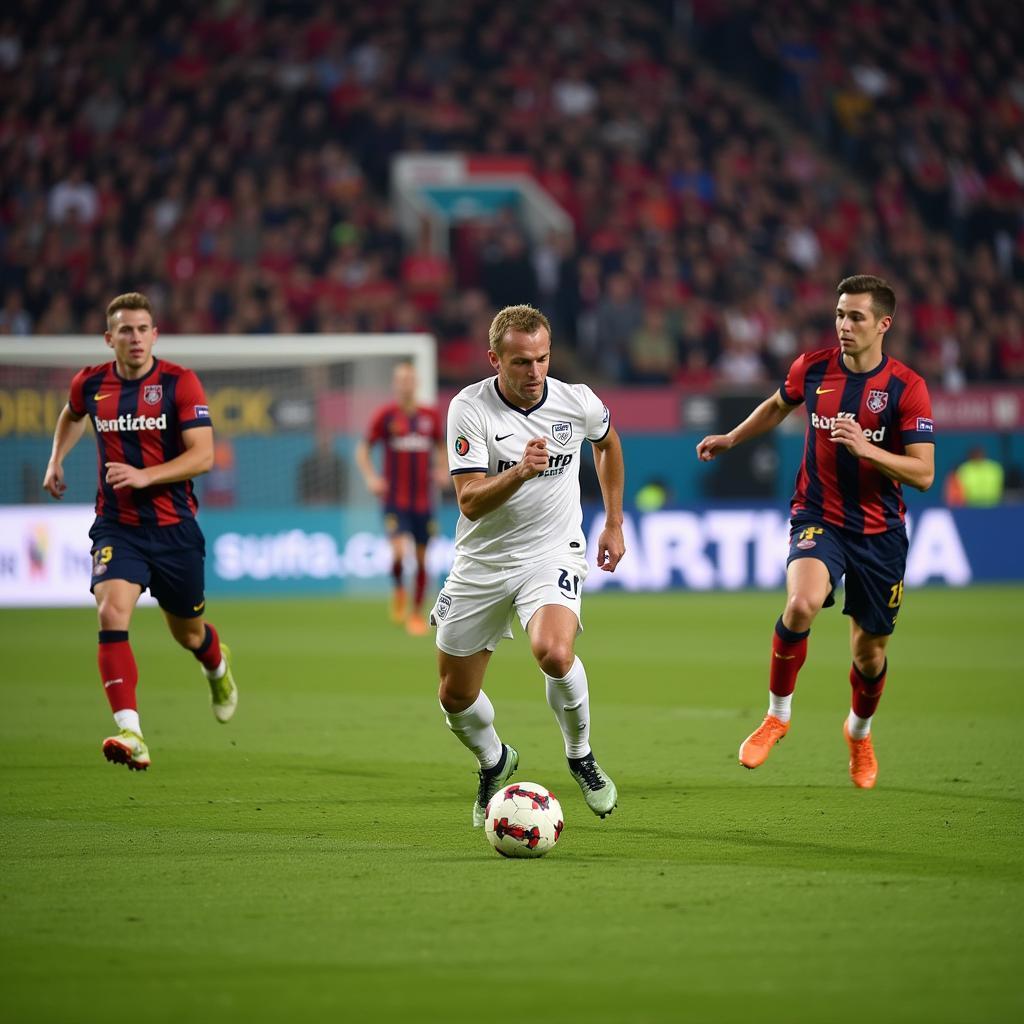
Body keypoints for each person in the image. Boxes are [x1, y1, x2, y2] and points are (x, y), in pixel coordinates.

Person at [696, 275, 935, 788]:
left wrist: (867, 449)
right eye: (840, 315)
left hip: (880, 533)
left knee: (869, 654)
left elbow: (923, 473)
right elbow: (777, 405)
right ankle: (777, 716)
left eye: (857, 318)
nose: (844, 326)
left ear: (883, 325)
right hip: (817, 515)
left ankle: (858, 731)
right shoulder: (814, 367)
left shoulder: (906, 388)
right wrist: (732, 438)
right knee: (801, 604)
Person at [433, 303, 626, 827]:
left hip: (551, 551)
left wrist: (613, 521)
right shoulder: (468, 408)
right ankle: (495, 760)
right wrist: (519, 472)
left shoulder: (576, 401)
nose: (534, 372)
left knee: (554, 652)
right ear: (494, 359)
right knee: (455, 695)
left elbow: (607, 444)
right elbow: (469, 501)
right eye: (520, 362)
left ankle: (581, 755)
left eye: (542, 359)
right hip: (482, 561)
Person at [42, 292, 238, 771]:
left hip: (174, 530)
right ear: (109, 338)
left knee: (189, 635)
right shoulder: (90, 384)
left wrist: (146, 475)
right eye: (125, 330)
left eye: (143, 328)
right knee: (111, 613)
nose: (135, 337)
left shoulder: (179, 382)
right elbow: (71, 414)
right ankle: (131, 730)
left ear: (155, 334)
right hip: (118, 527)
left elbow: (204, 456)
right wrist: (56, 459)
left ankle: (216, 664)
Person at [356, 361, 447, 636]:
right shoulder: (386, 416)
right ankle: (398, 588)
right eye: (401, 379)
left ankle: (417, 614)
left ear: (416, 383)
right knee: (398, 553)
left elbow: (441, 446)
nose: (406, 383)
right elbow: (363, 451)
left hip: (423, 501)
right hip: (395, 500)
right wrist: (371, 478)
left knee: (421, 559)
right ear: (395, 384)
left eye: (410, 378)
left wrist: (442, 469)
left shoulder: (429, 416)